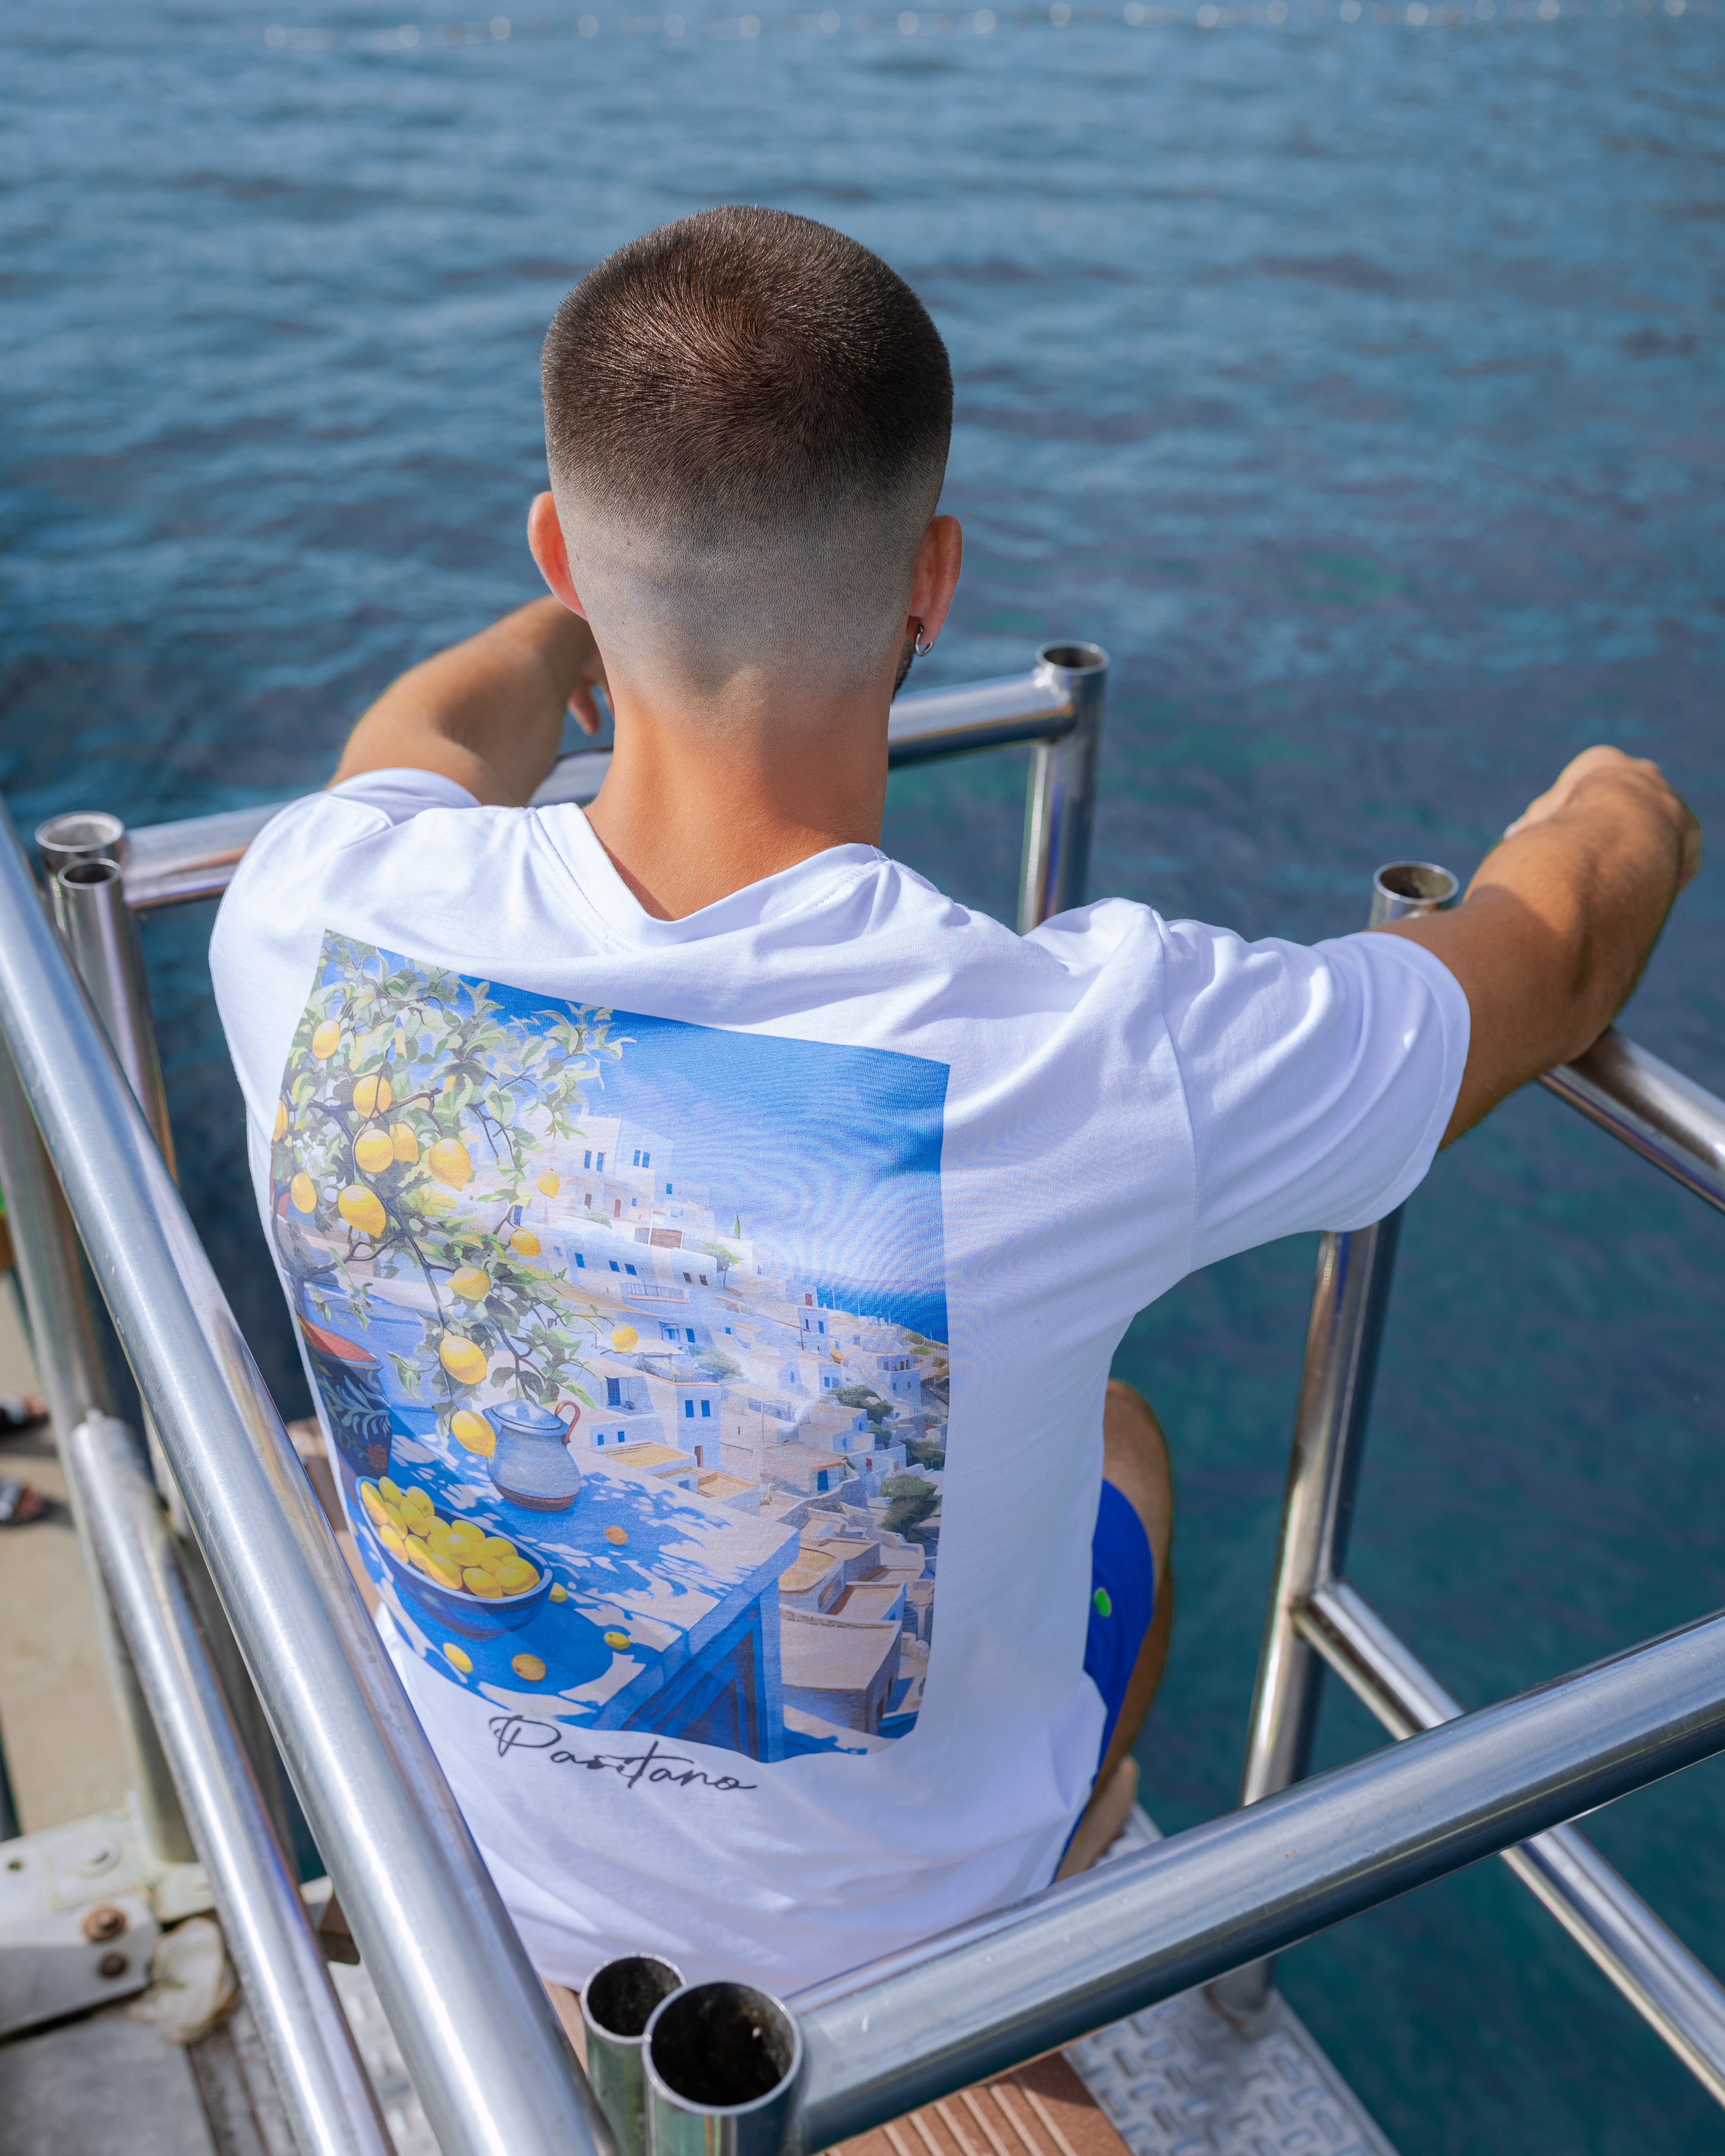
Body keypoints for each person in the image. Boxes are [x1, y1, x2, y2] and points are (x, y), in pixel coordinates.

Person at [210, 206, 1698, 2002]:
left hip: (470, 1876)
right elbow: (1553, 960)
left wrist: (566, 630)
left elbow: (426, 741)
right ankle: (1066, 1850)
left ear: (562, 549)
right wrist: (1621, 799)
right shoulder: (1086, 1053)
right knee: (1124, 1440)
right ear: (934, 581)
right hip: (904, 1961)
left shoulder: (311, 906)